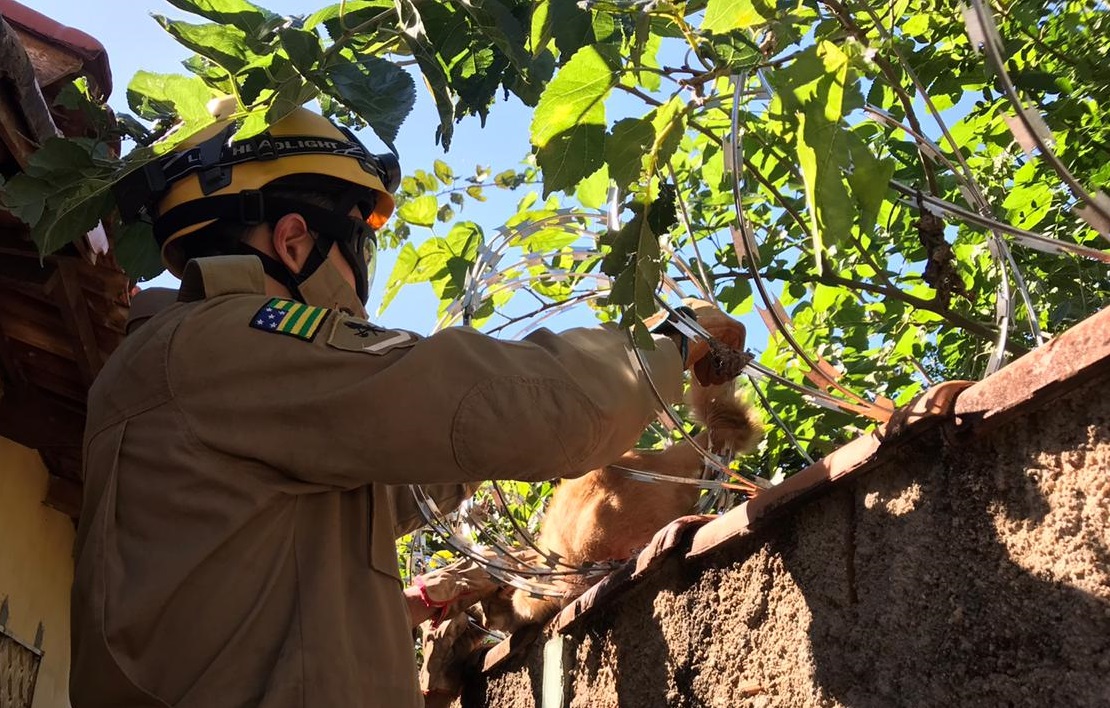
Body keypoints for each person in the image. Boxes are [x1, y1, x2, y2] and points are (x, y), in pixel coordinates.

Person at [70, 105, 746, 708]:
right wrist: (671, 343)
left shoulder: (212, 380)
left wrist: (481, 477)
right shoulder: (221, 348)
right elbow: (523, 408)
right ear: (295, 243)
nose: (363, 280)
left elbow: (408, 479)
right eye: (359, 244)